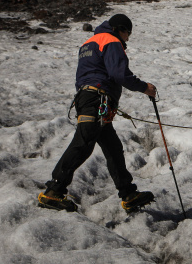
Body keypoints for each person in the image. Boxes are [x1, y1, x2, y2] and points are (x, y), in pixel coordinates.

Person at [38, 14, 157, 213]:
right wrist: (145, 87)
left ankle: (128, 194)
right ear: (120, 29)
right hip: (97, 100)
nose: (128, 38)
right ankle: (53, 191)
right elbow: (119, 74)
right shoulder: (110, 41)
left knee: (113, 149)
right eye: (128, 33)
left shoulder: (89, 42)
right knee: (83, 144)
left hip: (89, 98)